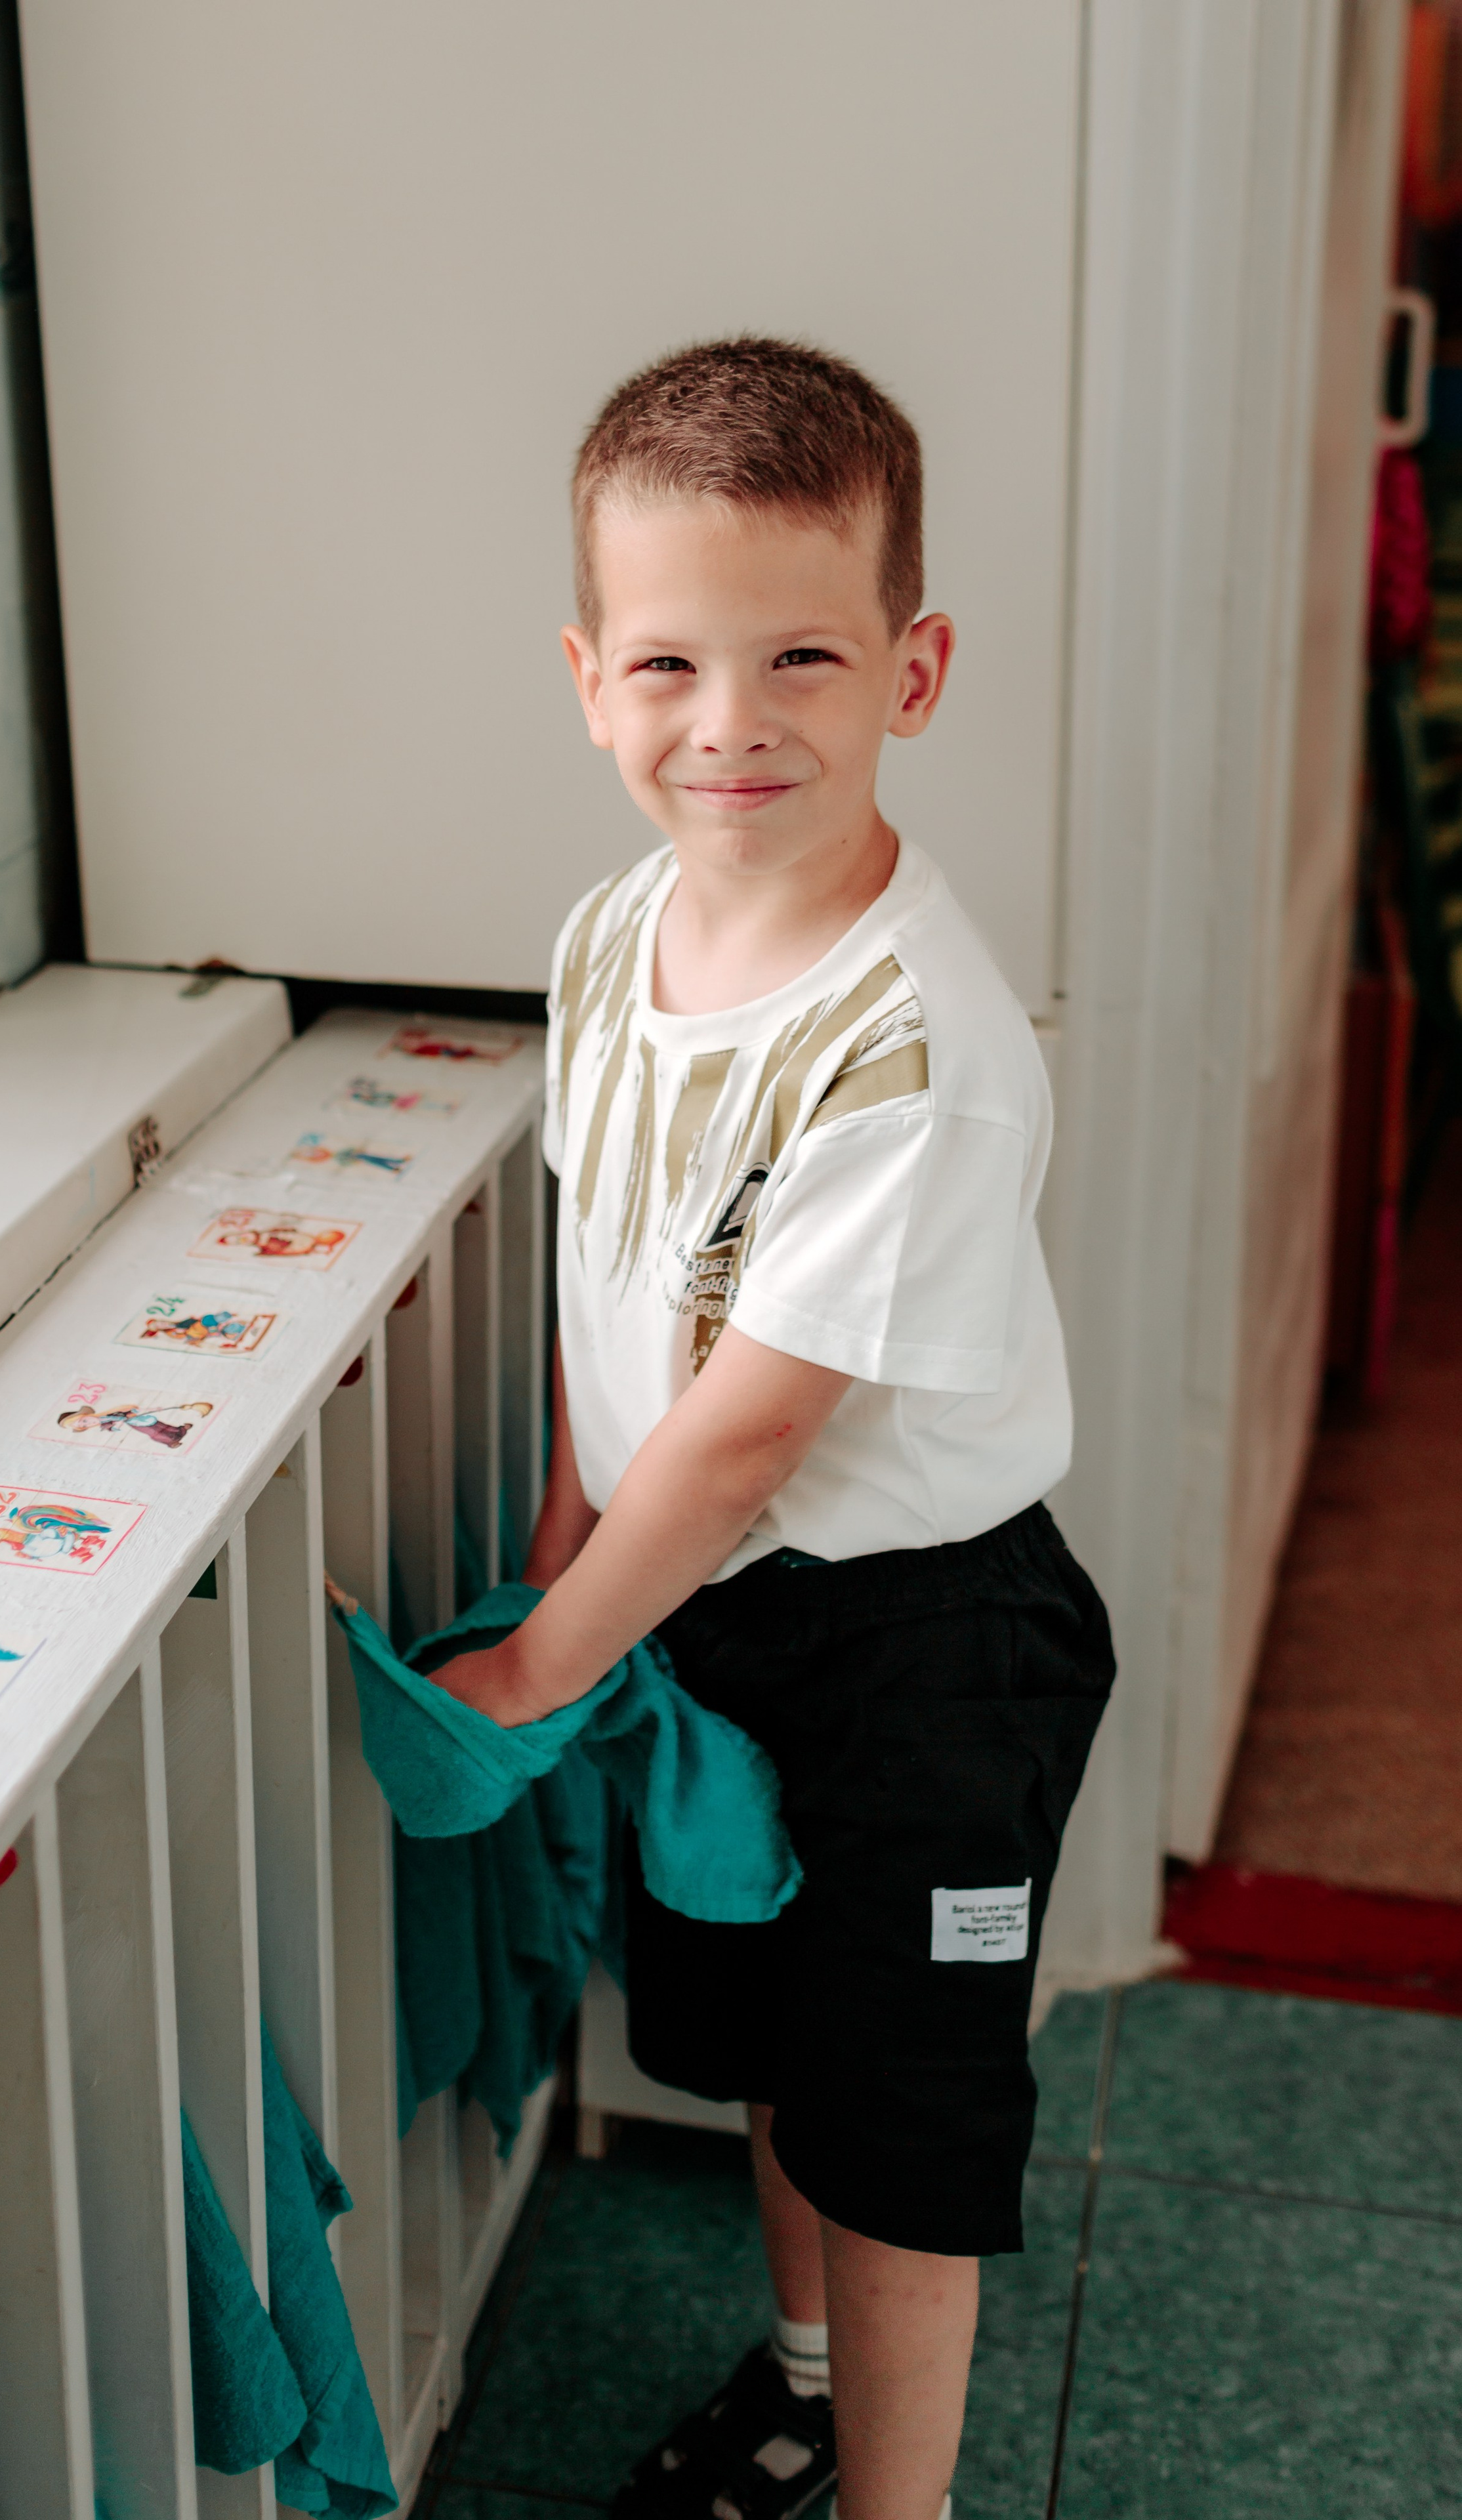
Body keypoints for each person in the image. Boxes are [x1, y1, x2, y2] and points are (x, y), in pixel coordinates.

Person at [430, 339, 1115, 2520]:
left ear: (913, 672)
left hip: (926, 1648)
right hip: (709, 1608)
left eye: (802, 655)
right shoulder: (613, 932)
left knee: (899, 2131)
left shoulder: (918, 1042)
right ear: (585, 675)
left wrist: (548, 1662)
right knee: (761, 2057)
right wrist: (564, 1544)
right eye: (668, 662)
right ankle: (805, 2389)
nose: (730, 722)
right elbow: (606, 1268)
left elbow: (738, 1440)